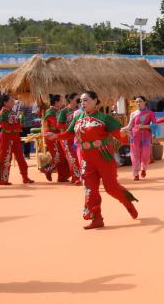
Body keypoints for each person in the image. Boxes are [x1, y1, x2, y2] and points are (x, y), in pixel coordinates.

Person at [55, 91, 139, 229]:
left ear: (95, 101)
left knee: (111, 188)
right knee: (90, 190)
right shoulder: (78, 118)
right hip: (87, 159)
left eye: (86, 100)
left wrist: (123, 133)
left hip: (103, 157)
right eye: (81, 101)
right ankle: (97, 219)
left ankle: (128, 203)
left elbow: (119, 135)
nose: (83, 103)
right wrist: (55, 136)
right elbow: (68, 134)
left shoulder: (104, 118)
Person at [0, 94, 33, 185]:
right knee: (5, 158)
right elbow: (5, 127)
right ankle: (2, 179)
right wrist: (17, 127)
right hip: (6, 138)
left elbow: (17, 124)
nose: (13, 102)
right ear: (5, 102)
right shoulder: (2, 113)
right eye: (11, 101)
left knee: (21, 158)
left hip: (15, 137)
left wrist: (19, 124)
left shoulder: (12, 112)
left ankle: (25, 177)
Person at [38, 94, 72, 182]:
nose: (63, 102)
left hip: (58, 135)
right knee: (58, 157)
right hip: (51, 136)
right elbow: (56, 125)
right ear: (56, 102)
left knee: (63, 157)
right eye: (61, 101)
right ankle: (47, 169)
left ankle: (62, 177)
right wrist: (70, 126)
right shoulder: (50, 112)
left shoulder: (58, 111)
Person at [123, 96, 156, 180]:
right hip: (135, 136)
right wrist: (124, 129)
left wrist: (144, 126)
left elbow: (155, 125)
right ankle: (135, 173)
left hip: (146, 136)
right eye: (136, 102)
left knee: (145, 154)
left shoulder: (150, 113)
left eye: (140, 101)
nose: (138, 103)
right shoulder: (133, 114)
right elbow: (130, 126)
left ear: (145, 102)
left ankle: (143, 168)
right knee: (135, 154)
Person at [57, 94, 83, 183]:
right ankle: (76, 178)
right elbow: (59, 125)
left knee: (78, 157)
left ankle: (79, 176)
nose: (79, 101)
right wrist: (71, 126)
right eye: (77, 99)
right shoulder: (64, 111)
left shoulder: (79, 110)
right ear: (71, 100)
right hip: (66, 138)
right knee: (72, 157)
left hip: (76, 138)